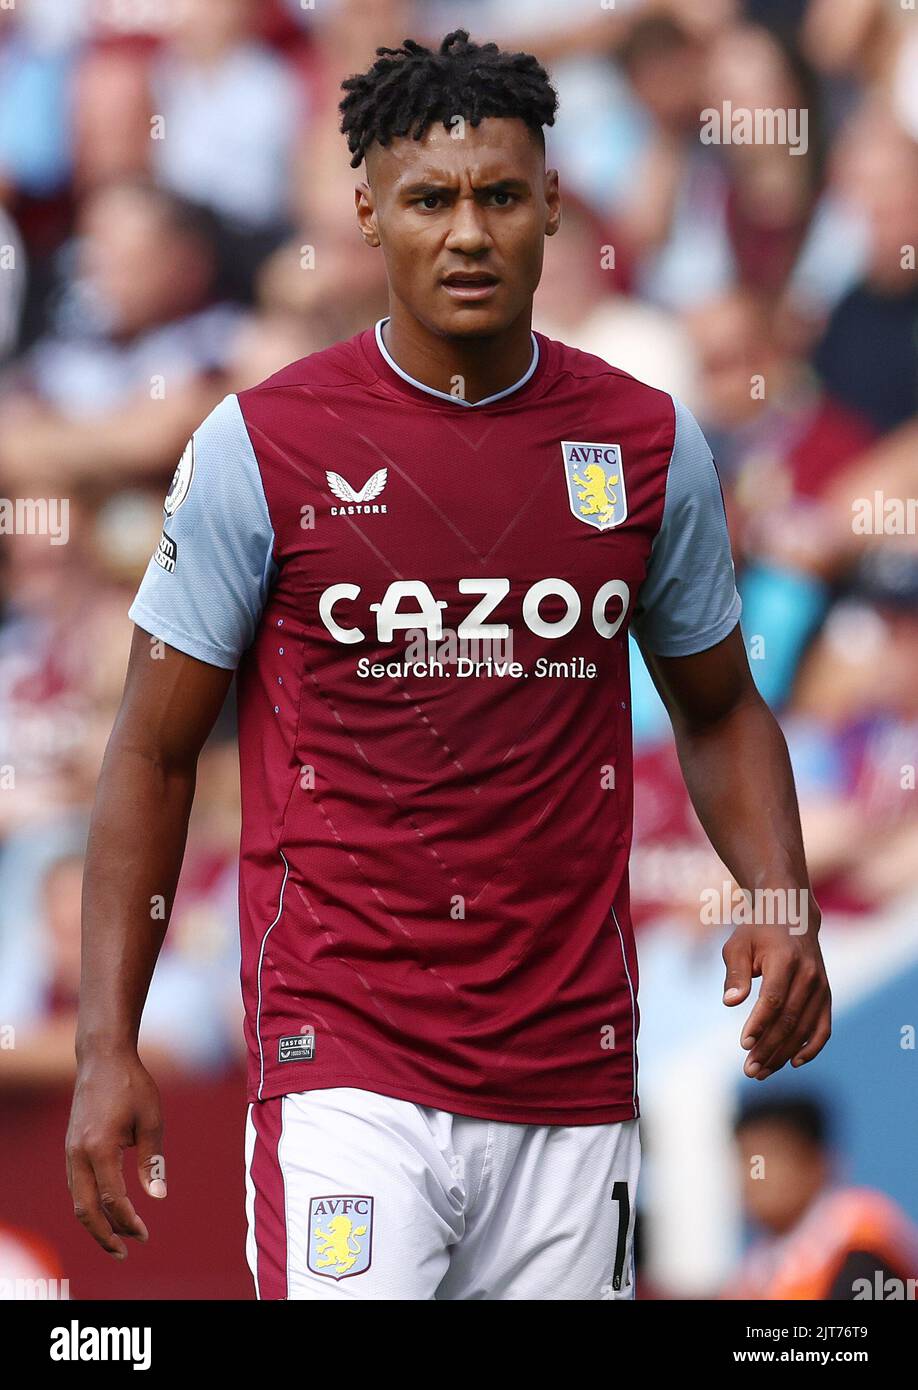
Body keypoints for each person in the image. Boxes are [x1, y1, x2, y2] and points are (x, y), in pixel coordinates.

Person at [66, 29, 831, 1301]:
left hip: (573, 1075)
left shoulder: (649, 444)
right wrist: (108, 1043)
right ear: (368, 210)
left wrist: (780, 891)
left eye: (500, 196)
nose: (467, 233)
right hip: (344, 1064)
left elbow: (723, 708)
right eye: (430, 199)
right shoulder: (262, 447)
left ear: (551, 206)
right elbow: (147, 753)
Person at [728, 1096, 918, 1299]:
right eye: (744, 1159)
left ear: (817, 1163)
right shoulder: (759, 1265)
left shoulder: (863, 1246)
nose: (753, 1176)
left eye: (766, 1159)